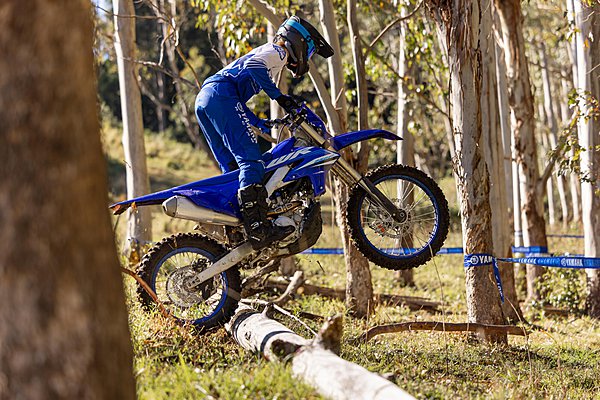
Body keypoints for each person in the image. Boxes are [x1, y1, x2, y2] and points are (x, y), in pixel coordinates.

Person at [195, 16, 333, 250]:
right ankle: (258, 227)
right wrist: (279, 97)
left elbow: (236, 101)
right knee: (251, 161)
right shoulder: (279, 52)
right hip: (220, 94)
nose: (307, 58)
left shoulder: (269, 53)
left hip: (206, 98)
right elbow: (253, 67)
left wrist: (259, 122)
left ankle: (234, 227)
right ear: (299, 41)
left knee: (232, 168)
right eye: (309, 52)